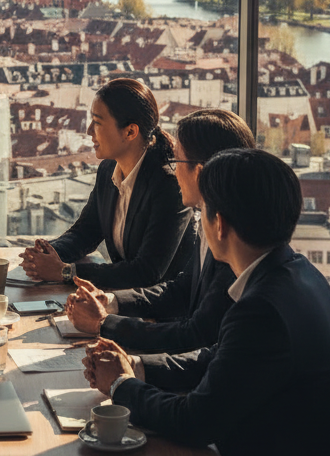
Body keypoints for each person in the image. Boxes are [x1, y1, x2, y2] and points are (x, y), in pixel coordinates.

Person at [81, 148, 330, 456]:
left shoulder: (261, 309)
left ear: (219, 224)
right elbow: (220, 361)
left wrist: (121, 387)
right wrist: (136, 367)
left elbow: (195, 422)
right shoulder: (295, 273)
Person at [64, 108, 253, 353]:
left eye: (176, 162)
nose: (173, 173)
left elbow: (196, 335)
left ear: (200, 172)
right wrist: (111, 302)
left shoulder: (236, 241)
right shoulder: (213, 221)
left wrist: (104, 324)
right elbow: (182, 289)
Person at [20, 77, 191, 289]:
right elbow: (86, 232)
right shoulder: (109, 169)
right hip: (125, 300)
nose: (89, 130)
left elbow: (146, 272)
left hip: (161, 312)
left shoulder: (169, 185)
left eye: (98, 122)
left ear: (130, 132)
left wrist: (66, 272)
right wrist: (46, 254)